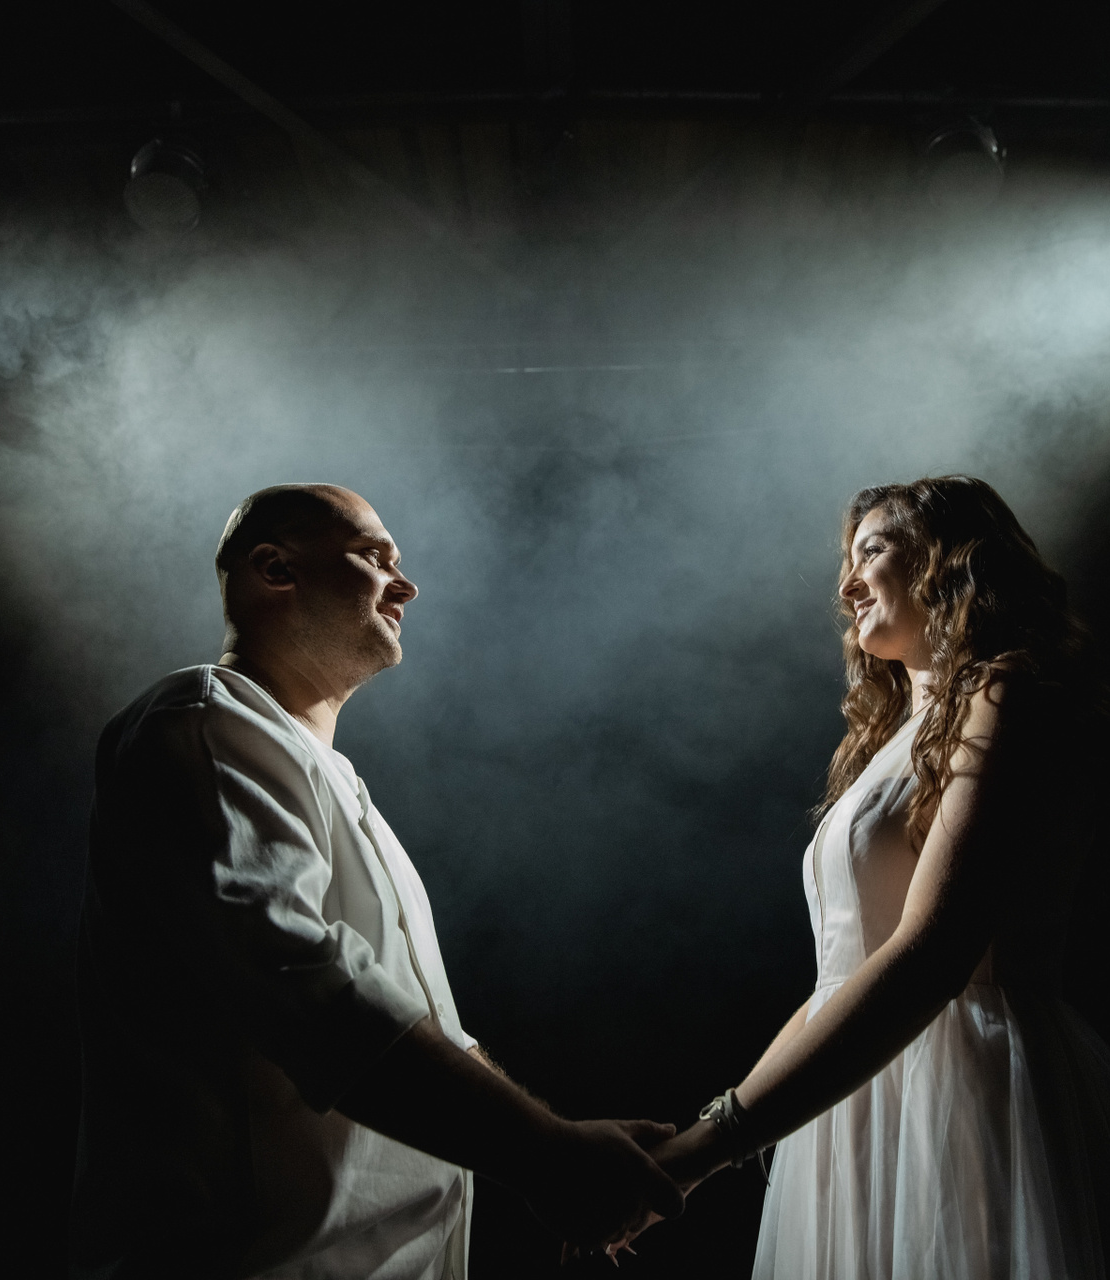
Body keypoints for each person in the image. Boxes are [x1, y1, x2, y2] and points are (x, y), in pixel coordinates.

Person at [69, 483, 682, 1280]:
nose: (408, 585)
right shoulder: (207, 719)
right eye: (375, 557)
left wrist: (556, 1145)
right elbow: (308, 986)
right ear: (275, 569)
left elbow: (426, 1029)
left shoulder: (332, 778)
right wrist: (547, 1153)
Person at [641, 476, 1110, 1279]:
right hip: (859, 1095)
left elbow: (936, 952)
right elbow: (837, 979)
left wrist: (713, 1145)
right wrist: (700, 1143)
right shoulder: (894, 739)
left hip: (965, 1096)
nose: (846, 585)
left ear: (948, 562)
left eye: (871, 551)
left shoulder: (1005, 691)